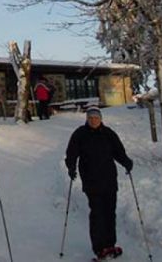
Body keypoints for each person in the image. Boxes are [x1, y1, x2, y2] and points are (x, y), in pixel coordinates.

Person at [65, 107, 133, 260]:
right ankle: (99, 247)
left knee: (110, 212)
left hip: (109, 179)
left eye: (96, 118)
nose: (93, 121)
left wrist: (127, 162)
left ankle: (110, 244)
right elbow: (72, 153)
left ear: (101, 119)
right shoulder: (80, 134)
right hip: (91, 180)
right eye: (91, 118)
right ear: (87, 119)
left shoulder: (108, 134)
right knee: (97, 214)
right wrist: (71, 166)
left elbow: (118, 152)